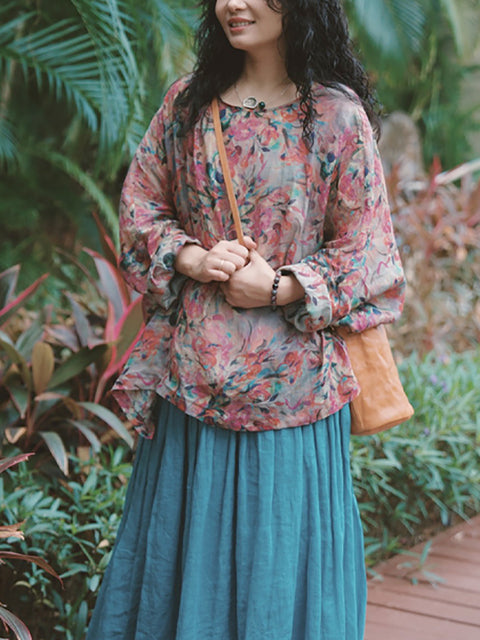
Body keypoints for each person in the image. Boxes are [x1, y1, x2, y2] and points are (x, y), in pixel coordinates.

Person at [86, 1, 405, 638]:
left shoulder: (337, 117)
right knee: (179, 565)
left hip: (292, 398)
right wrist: (194, 255)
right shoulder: (187, 104)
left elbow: (372, 254)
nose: (235, 3)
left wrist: (285, 286)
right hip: (194, 385)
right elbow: (139, 212)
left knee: (278, 570)